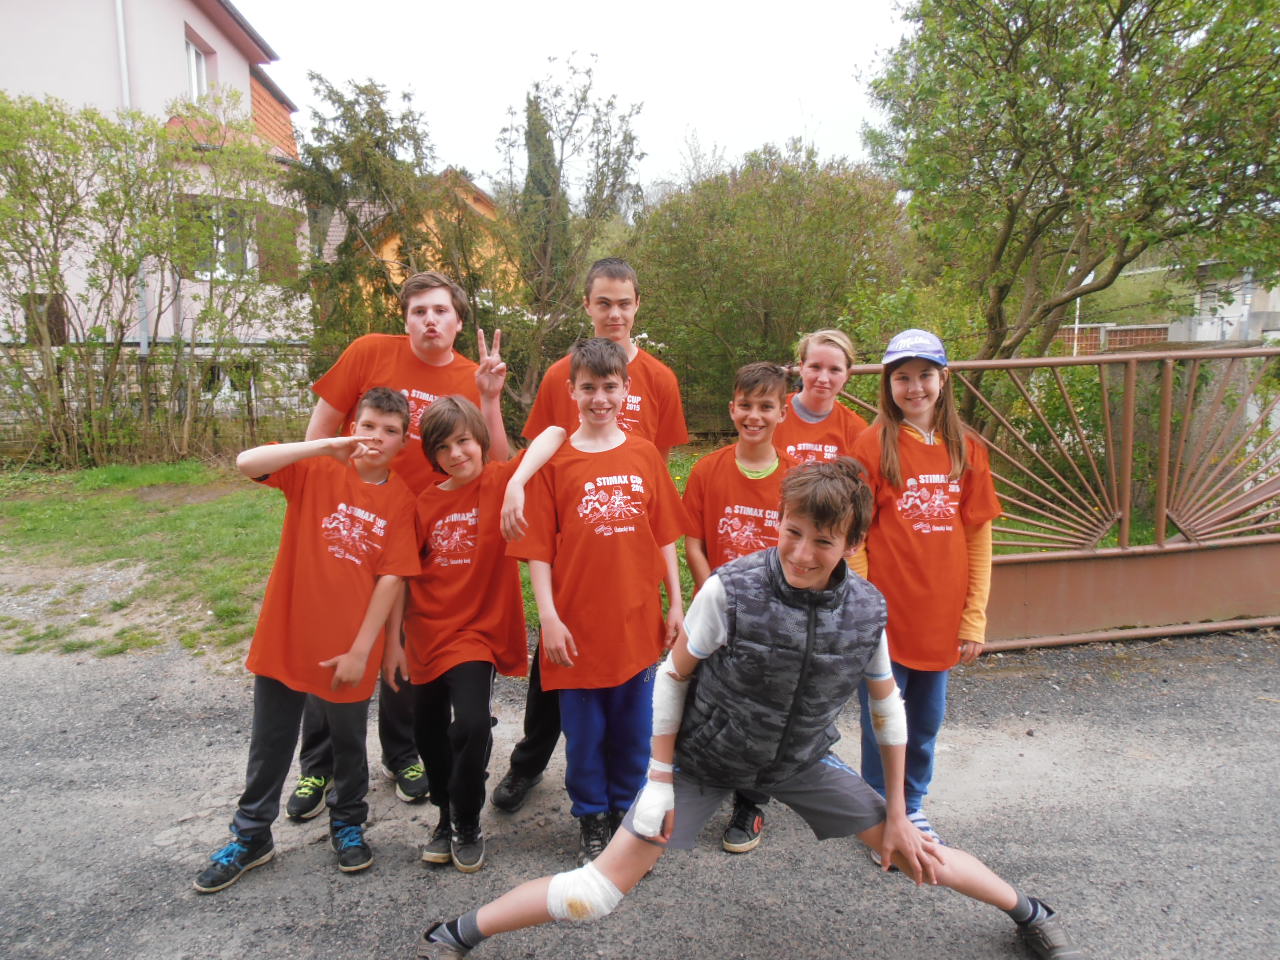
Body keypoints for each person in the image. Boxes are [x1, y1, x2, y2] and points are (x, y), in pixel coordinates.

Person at [413, 458, 1083, 960]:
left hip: (799, 762)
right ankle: (460, 933)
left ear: (852, 543)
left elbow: (887, 709)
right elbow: (672, 676)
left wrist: (902, 815)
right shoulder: (730, 590)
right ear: (779, 521)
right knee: (596, 893)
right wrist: (659, 778)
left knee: (915, 854)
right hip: (703, 761)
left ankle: (1031, 914)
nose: (802, 553)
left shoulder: (866, 609)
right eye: (793, 532)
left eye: (823, 542)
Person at [286, 271, 509, 817]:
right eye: (418, 311)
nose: (429, 320)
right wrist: (320, 499)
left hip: (420, 527)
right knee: (334, 634)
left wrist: (490, 397)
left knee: (404, 643)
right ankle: (318, 765)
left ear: (458, 320)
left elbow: (493, 462)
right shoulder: (368, 353)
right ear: (404, 318)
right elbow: (319, 435)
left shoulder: (471, 376)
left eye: (440, 310)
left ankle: (402, 753)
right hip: (355, 516)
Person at [193, 387, 420, 893]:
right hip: (286, 634)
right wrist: (324, 445)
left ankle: (348, 822)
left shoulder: (401, 499)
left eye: (389, 431)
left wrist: (367, 648)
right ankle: (252, 835)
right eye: (367, 425)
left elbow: (392, 577)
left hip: (349, 648)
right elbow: (246, 463)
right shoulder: (316, 469)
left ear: (404, 443)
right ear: (352, 428)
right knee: (270, 741)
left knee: (348, 742)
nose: (376, 437)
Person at [493, 258, 688, 816]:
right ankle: (531, 767)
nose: (614, 313)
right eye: (604, 302)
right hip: (573, 571)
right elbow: (547, 442)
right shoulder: (563, 373)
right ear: (587, 305)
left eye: (624, 303)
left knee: (631, 707)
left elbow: (656, 491)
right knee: (560, 688)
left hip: (629, 565)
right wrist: (517, 483)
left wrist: (670, 593)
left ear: (637, 305)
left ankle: (627, 798)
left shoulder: (659, 380)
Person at [388, 396, 566, 874]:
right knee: (427, 731)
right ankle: (444, 816)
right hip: (425, 632)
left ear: (480, 440)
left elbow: (555, 434)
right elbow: (401, 576)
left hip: (476, 634)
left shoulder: (500, 480)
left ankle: (467, 819)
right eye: (442, 447)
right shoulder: (423, 503)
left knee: (470, 724)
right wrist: (392, 644)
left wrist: (517, 484)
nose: (455, 454)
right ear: (432, 454)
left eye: (464, 441)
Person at [850, 328, 1002, 849]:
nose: (914, 387)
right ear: (888, 383)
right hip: (887, 617)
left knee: (926, 720)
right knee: (882, 718)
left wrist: (974, 615)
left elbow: (979, 536)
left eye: (924, 376)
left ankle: (912, 804)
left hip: (942, 615)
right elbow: (856, 537)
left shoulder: (968, 448)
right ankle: (880, 809)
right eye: (902, 377)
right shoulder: (872, 446)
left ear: (944, 379)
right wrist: (866, 607)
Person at [680, 361, 799, 854]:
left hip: (775, 618)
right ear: (732, 408)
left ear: (782, 412)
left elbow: (801, 551)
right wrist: (712, 598)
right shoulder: (708, 470)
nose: (754, 416)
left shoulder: (796, 478)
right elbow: (693, 542)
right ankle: (699, 783)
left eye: (766, 406)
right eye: (746, 405)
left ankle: (751, 802)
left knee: (765, 711)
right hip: (718, 611)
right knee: (703, 698)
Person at [772, 328, 870, 465]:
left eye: (834, 370)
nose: (823, 378)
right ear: (802, 368)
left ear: (847, 375)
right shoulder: (770, 414)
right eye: (815, 367)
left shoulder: (856, 429)